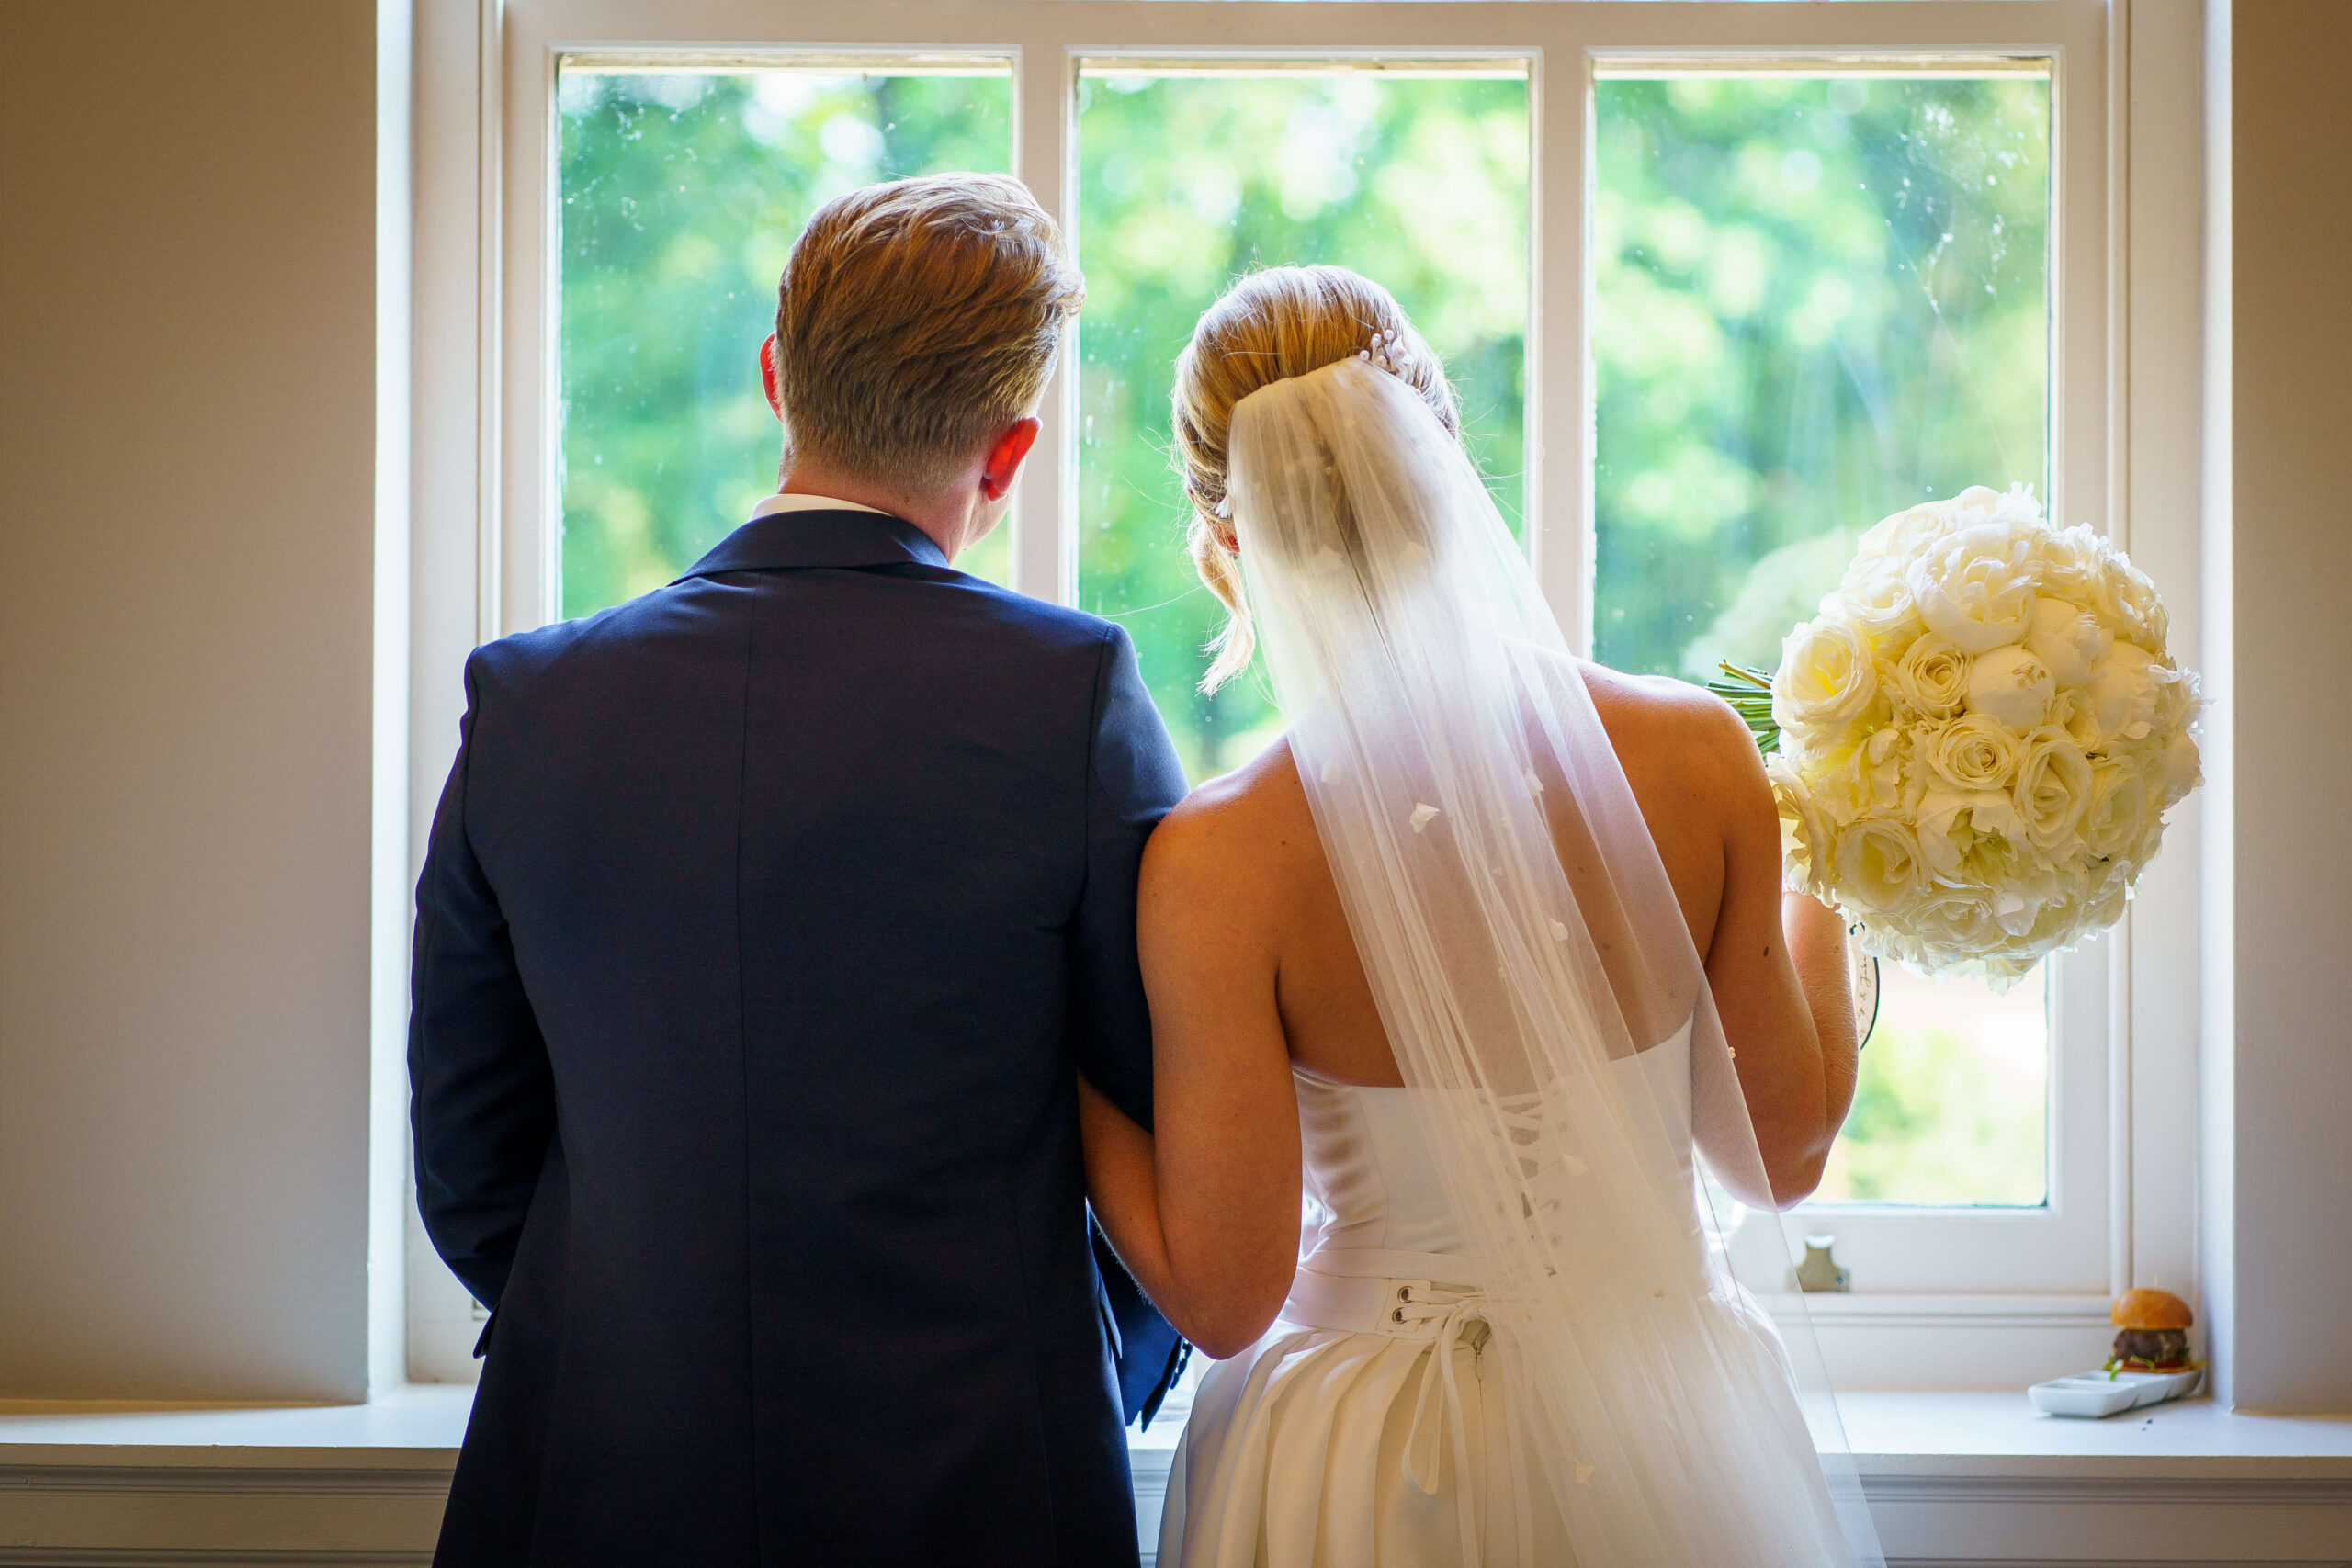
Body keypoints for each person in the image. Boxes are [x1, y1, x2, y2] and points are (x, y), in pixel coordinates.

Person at [408, 174, 1188, 1568]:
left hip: (599, 1485)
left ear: (778, 380)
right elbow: (1159, 1119)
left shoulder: (529, 702)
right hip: (982, 1491)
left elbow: (472, 1158)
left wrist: (632, 1339)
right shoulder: (1070, 695)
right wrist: (1065, 1379)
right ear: (1007, 456)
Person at [1079, 266, 1887, 1566]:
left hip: (1364, 1452)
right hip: (1668, 1412)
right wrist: (1844, 885)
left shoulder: (1221, 860)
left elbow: (1227, 1300)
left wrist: (1067, 1079)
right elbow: (1777, 1161)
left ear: (1222, 540)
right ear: (1444, 457)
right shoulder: (1694, 756)